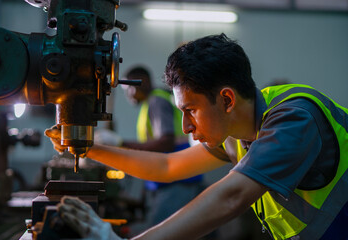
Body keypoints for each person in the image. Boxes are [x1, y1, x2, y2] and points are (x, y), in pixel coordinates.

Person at [46, 33, 348, 240]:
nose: (186, 126)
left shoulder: (294, 120)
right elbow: (167, 168)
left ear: (227, 100)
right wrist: (88, 148)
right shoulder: (235, 132)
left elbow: (231, 198)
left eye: (190, 110)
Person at [95, 66, 203, 231]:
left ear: (142, 82)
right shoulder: (152, 103)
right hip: (167, 180)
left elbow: (166, 142)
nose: (128, 95)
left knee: (163, 233)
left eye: (129, 89)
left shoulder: (156, 102)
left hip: (176, 181)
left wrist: (120, 143)